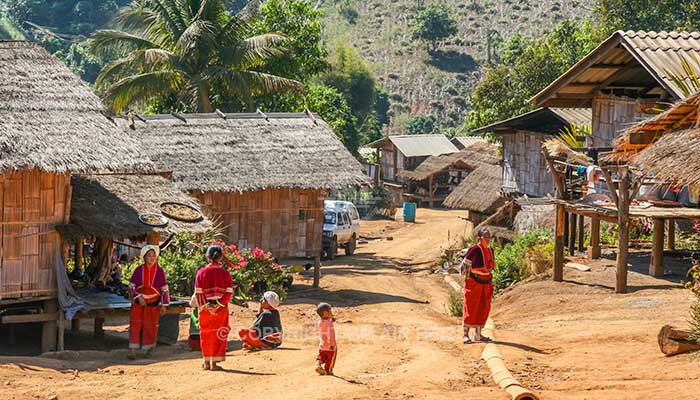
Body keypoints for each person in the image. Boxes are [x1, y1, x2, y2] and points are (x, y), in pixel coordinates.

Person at [194, 245, 234, 370]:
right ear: (220, 257)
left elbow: (198, 292)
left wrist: (206, 306)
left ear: (207, 257)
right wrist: (219, 304)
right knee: (219, 334)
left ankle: (206, 362)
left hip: (205, 309)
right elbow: (229, 291)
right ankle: (214, 363)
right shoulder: (225, 273)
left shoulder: (201, 272)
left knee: (205, 334)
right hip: (221, 309)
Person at [128, 245, 169, 359]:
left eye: (153, 255)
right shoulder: (138, 270)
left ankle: (149, 349)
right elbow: (131, 287)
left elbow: (164, 289)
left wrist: (164, 305)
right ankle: (132, 350)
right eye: (149, 255)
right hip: (138, 303)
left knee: (151, 326)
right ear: (144, 257)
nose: (152, 258)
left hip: (153, 303)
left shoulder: (160, 271)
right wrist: (138, 297)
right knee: (136, 325)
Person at [459, 228, 495, 344]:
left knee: (483, 306)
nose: (488, 239)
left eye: (489, 237)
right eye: (486, 237)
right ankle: (465, 334)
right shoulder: (474, 250)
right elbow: (464, 268)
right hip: (474, 283)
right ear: (479, 238)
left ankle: (478, 334)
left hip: (486, 283)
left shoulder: (490, 250)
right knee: (471, 306)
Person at [315, 302, 337, 376]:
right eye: (330, 311)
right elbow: (330, 334)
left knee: (322, 357)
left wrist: (331, 319)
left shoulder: (320, 322)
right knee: (330, 359)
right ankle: (328, 371)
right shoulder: (329, 323)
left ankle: (318, 365)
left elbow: (327, 321)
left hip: (322, 345)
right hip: (330, 345)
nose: (331, 313)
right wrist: (332, 345)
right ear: (325, 313)